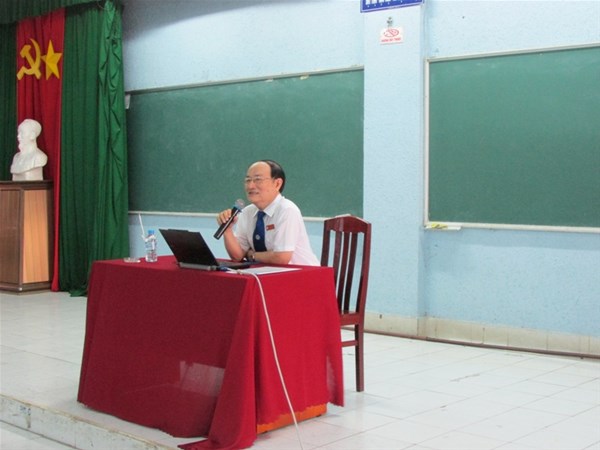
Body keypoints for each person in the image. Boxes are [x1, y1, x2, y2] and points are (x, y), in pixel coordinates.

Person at [217, 159, 319, 266]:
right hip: (268, 272)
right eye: (248, 180)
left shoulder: (287, 210)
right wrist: (227, 230)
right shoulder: (247, 212)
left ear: (277, 184)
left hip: (302, 272)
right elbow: (237, 256)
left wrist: (251, 255)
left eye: (258, 180)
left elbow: (281, 258)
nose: (250, 186)